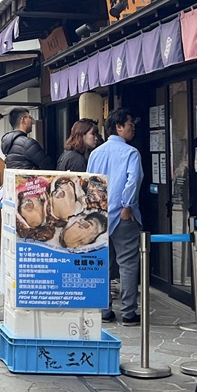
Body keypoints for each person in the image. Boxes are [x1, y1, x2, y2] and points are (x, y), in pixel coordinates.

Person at [87, 108, 143, 325]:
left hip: (99, 215)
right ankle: (129, 312)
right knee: (127, 262)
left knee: (102, 262)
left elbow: (91, 183)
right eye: (130, 124)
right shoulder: (130, 153)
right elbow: (133, 180)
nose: (133, 127)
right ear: (119, 127)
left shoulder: (96, 153)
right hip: (122, 215)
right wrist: (127, 205)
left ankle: (104, 309)